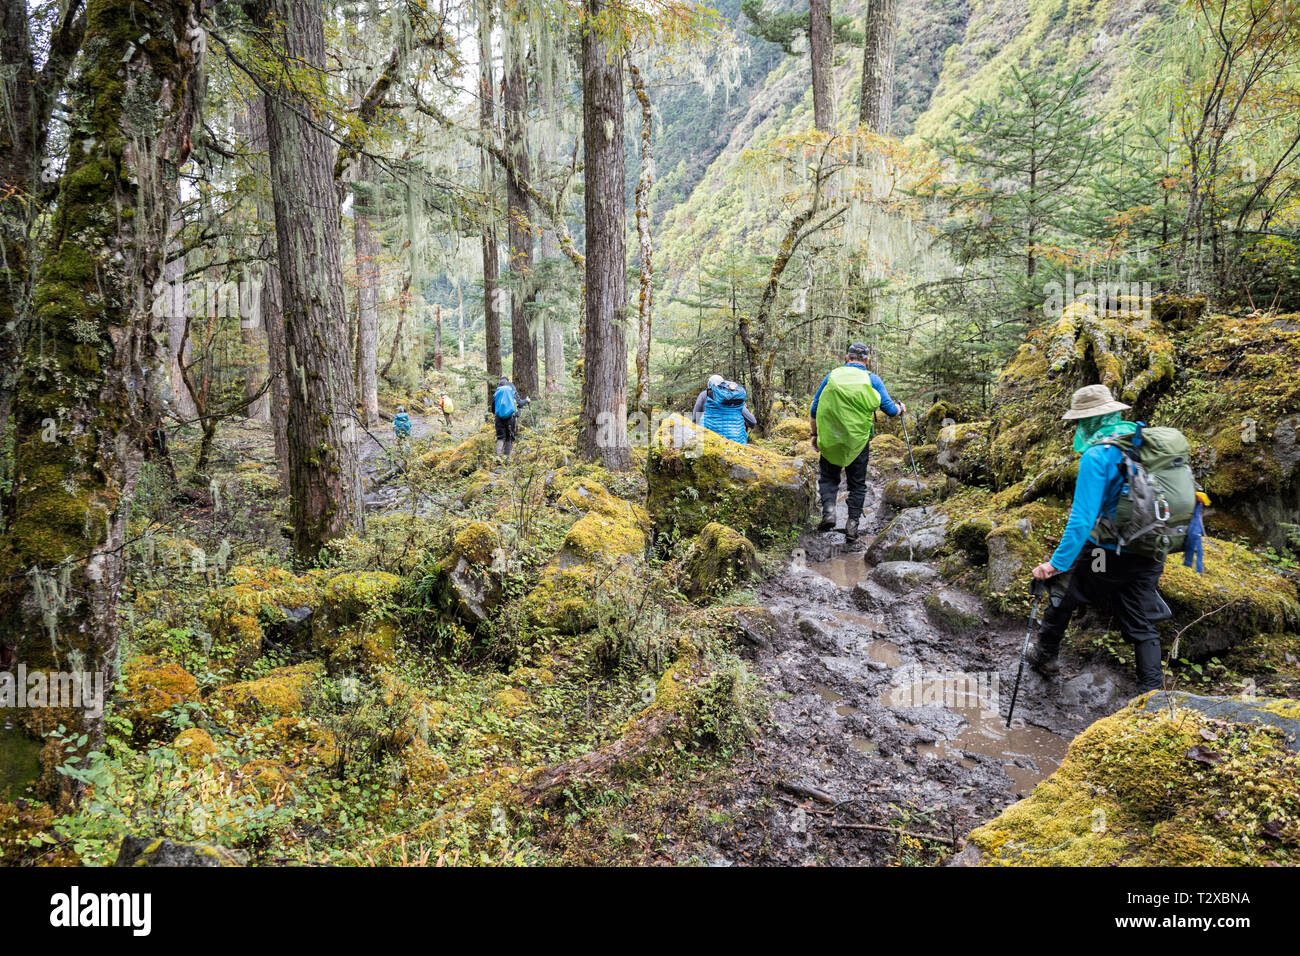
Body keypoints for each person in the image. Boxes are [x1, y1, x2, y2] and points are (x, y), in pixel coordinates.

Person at [1026, 384, 1181, 694]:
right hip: (1154, 545)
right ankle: (1151, 694)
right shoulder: (1143, 441)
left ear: (1087, 421)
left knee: (1062, 588)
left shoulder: (1098, 454)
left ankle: (1044, 656)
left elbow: (1082, 519)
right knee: (1140, 621)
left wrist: (1055, 565)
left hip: (1110, 552)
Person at [810, 343, 905, 548]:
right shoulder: (872, 379)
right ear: (867, 360)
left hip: (831, 437)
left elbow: (815, 408)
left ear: (847, 358)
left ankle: (829, 512)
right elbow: (890, 410)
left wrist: (814, 435)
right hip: (858, 440)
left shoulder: (832, 376)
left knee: (828, 477)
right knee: (857, 484)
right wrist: (900, 408)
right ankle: (852, 525)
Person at [693, 374, 758, 434]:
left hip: (711, 437)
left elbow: (695, 418)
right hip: (735, 439)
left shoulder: (704, 395)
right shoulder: (733, 397)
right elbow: (752, 421)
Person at [492, 375, 529, 457]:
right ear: (508, 381)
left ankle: (498, 458)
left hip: (498, 419)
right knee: (509, 438)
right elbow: (519, 404)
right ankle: (506, 458)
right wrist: (526, 400)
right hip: (511, 418)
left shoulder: (497, 392)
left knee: (500, 438)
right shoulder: (512, 390)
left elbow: (493, 409)